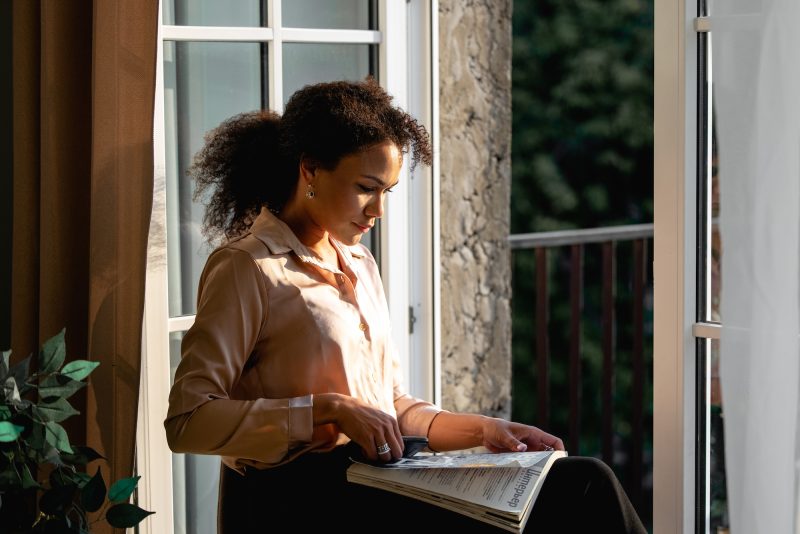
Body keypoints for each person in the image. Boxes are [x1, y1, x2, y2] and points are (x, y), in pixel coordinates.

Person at [164, 77, 646, 533]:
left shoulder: (358, 262)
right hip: (299, 498)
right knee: (582, 492)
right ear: (310, 170)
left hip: (378, 481)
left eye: (386, 191)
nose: (377, 210)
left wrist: (487, 430)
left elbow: (392, 407)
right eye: (365, 188)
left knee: (578, 483)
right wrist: (329, 409)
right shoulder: (248, 268)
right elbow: (188, 422)